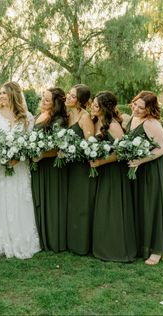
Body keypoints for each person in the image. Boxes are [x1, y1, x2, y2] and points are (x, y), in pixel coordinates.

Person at [0, 81, 40, 259]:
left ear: (13, 94)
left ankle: (20, 238)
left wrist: (18, 157)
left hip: (19, 166)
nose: (1, 96)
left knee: (18, 199)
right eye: (0, 93)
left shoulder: (27, 116)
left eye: (4, 93)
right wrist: (0, 156)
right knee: (0, 198)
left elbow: (29, 143)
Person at [127, 91, 163, 265]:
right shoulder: (132, 118)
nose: (137, 109)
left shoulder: (151, 123)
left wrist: (141, 160)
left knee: (155, 206)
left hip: (154, 168)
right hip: (140, 168)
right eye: (135, 105)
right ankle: (144, 246)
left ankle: (157, 250)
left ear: (149, 109)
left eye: (142, 108)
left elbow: (162, 148)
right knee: (143, 206)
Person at [89, 91, 137, 262]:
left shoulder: (113, 126)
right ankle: (102, 246)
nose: (92, 107)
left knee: (113, 209)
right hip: (101, 171)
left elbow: (123, 151)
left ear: (104, 107)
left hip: (114, 172)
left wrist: (101, 162)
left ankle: (116, 249)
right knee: (102, 209)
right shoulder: (95, 122)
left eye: (95, 105)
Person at [31, 87, 69, 252]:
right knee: (38, 199)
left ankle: (54, 240)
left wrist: (42, 155)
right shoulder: (38, 116)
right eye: (42, 98)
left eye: (47, 100)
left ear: (56, 103)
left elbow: (59, 146)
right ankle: (39, 238)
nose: (43, 102)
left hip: (51, 166)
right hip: (37, 165)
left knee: (51, 201)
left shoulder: (58, 120)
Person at [65, 84, 95, 255]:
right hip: (69, 167)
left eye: (72, 96)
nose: (68, 97)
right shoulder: (69, 116)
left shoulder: (85, 118)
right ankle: (73, 242)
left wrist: (74, 150)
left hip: (82, 168)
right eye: (68, 94)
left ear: (80, 101)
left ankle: (83, 244)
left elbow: (90, 146)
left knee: (82, 204)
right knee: (72, 205)